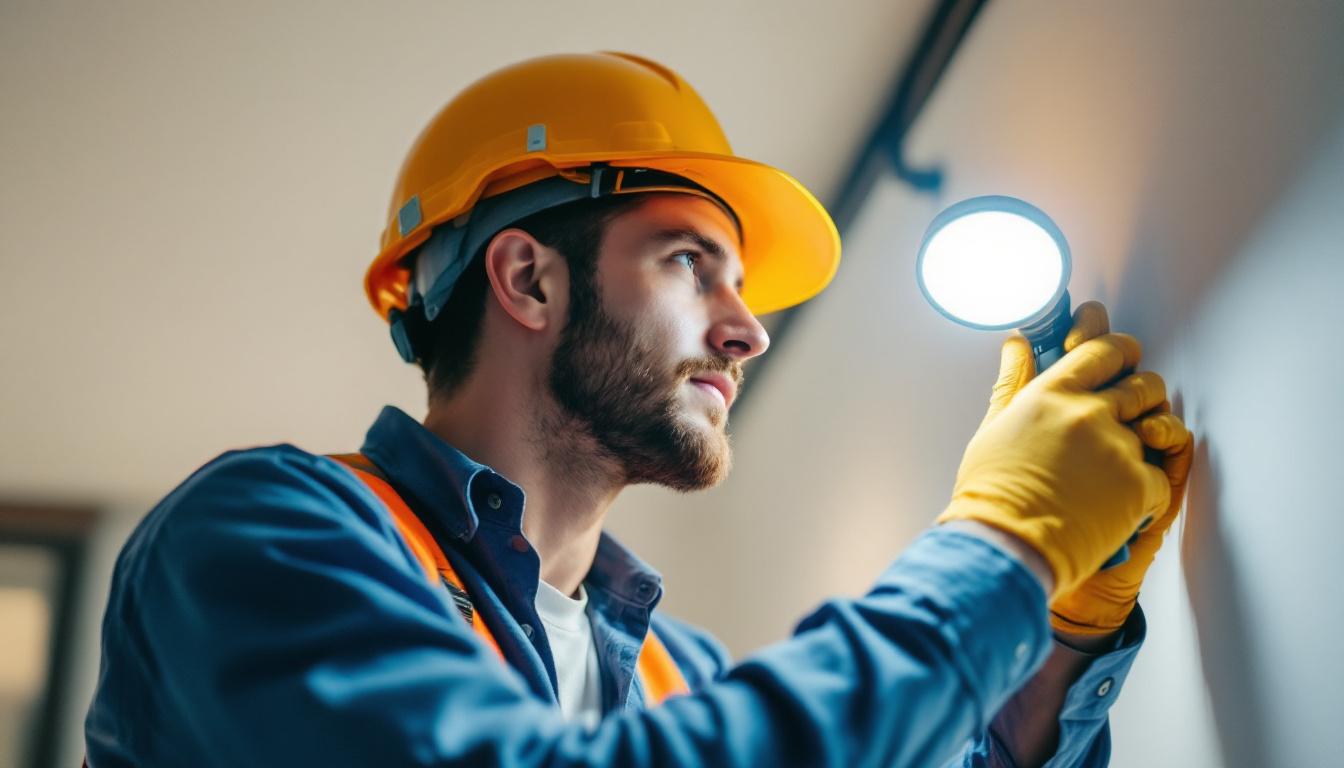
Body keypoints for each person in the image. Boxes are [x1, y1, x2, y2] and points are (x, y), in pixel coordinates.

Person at [84, 52, 1193, 767]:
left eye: (743, 287)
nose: (747, 329)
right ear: (528, 281)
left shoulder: (682, 677)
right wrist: (1000, 544)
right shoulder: (266, 536)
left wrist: (1058, 634)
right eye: (690, 264)